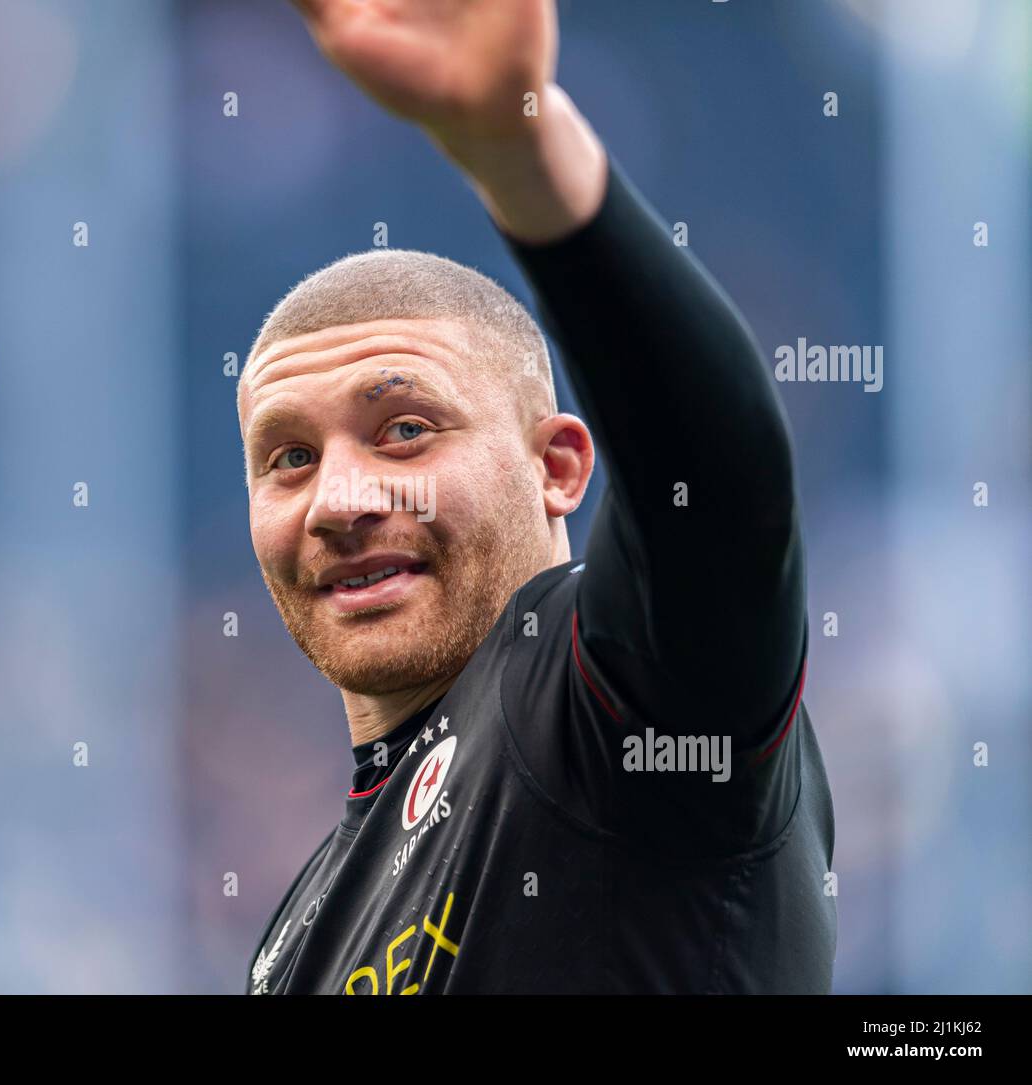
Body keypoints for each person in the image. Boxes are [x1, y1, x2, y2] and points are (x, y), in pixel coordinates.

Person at [239, 0, 835, 994]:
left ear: (557, 466)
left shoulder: (608, 707)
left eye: (405, 430)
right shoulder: (293, 935)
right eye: (288, 457)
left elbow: (722, 482)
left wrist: (522, 158)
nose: (338, 498)